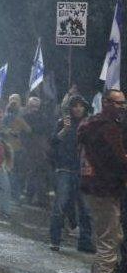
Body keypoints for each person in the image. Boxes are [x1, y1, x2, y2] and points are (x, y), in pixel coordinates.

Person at [79, 90, 127, 273]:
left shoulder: (90, 124)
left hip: (93, 187)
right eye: (118, 103)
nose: (122, 107)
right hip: (105, 188)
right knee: (110, 239)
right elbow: (117, 159)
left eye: (124, 103)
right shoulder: (108, 128)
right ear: (107, 103)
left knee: (104, 237)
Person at [48, 94, 94, 252]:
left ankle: (85, 242)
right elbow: (53, 141)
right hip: (65, 168)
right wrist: (65, 130)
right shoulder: (63, 122)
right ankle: (55, 240)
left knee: (85, 208)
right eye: (75, 105)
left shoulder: (89, 124)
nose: (78, 108)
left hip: (83, 169)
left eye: (81, 105)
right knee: (60, 205)